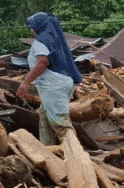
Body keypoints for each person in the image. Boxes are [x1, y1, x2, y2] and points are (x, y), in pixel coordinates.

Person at [17, 12, 82, 145]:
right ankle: (47, 151)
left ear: (39, 26)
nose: (31, 29)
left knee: (60, 124)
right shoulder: (56, 39)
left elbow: (42, 62)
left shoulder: (42, 40)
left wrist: (26, 83)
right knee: (45, 116)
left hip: (54, 86)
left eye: (32, 26)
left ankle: (78, 157)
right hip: (62, 82)